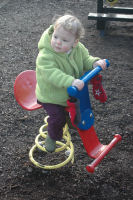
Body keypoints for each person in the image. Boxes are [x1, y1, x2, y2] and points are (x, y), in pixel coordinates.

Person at [35, 14, 107, 153]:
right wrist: (71, 81)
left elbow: (86, 58)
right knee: (58, 117)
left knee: (79, 113)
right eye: (55, 37)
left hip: (70, 94)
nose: (58, 42)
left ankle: (71, 121)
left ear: (75, 42)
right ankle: (52, 137)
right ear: (52, 32)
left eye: (64, 40)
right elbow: (52, 74)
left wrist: (94, 62)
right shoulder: (46, 56)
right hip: (50, 96)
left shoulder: (78, 48)